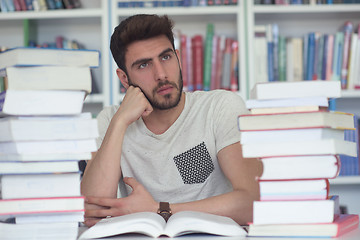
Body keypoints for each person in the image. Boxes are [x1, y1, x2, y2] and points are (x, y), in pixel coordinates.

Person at [81, 14, 262, 227]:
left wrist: (160, 210)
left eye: (165, 58)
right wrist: (120, 121)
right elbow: (93, 212)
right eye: (143, 65)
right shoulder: (110, 120)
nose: (161, 74)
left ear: (177, 57)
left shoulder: (220, 107)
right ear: (124, 78)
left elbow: (254, 202)